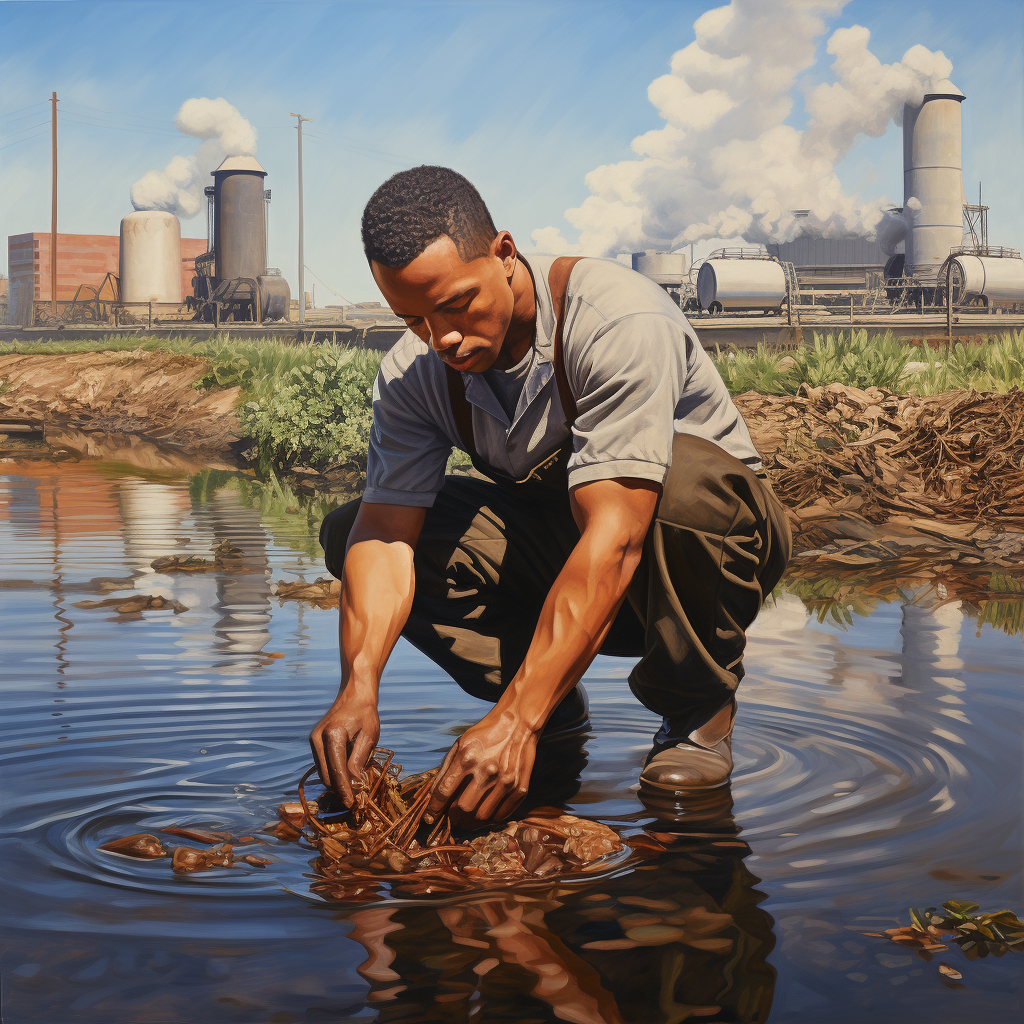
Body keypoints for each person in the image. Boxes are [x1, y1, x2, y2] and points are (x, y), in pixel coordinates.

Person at [311, 165, 790, 826]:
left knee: (684, 484)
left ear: (505, 254)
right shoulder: (414, 373)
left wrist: (515, 722)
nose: (439, 337)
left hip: (697, 561)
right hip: (573, 551)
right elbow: (388, 534)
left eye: (455, 304)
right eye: (413, 318)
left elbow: (616, 537)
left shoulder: (615, 320)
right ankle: (546, 702)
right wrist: (357, 686)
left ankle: (696, 712)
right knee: (355, 532)